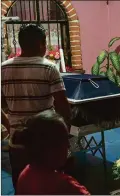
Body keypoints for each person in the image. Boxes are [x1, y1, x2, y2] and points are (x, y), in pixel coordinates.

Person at [1, 24, 71, 192]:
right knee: (49, 184)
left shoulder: (3, 68)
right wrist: (64, 133)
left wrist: (10, 124)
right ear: (41, 44)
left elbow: (2, 104)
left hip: (17, 138)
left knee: (21, 183)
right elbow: (62, 105)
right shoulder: (48, 67)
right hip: (45, 139)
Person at [16, 110, 90, 195]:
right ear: (51, 148)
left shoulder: (24, 176)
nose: (69, 145)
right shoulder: (67, 186)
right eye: (65, 140)